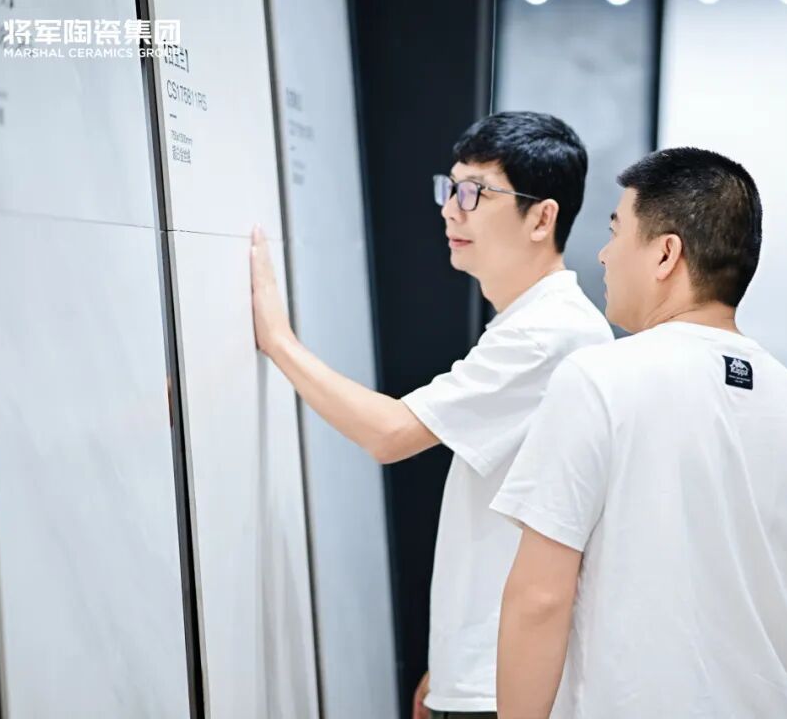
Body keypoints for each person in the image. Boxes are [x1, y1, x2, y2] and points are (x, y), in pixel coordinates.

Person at [249, 111, 613, 719]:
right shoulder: (537, 324)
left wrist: (278, 340)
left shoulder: (549, 333)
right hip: (486, 674)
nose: (450, 210)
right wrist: (449, 666)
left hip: (505, 689)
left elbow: (390, 433)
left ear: (541, 218)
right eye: (450, 188)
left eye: (475, 193)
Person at [491, 147, 787, 718]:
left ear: (666, 254)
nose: (605, 254)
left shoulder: (597, 381)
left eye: (616, 232)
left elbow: (540, 599)